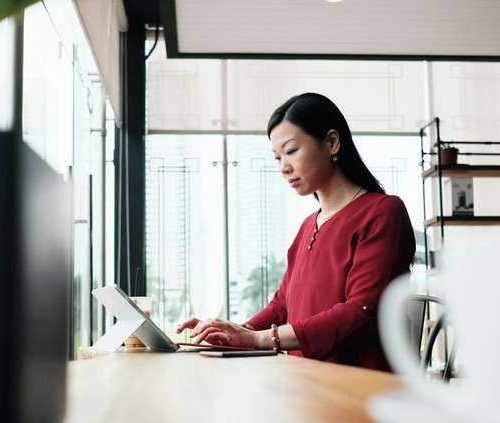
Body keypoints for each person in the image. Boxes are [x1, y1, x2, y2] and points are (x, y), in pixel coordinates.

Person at [176, 92, 415, 370]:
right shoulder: (308, 227)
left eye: (291, 151)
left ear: (332, 142)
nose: (284, 167)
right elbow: (281, 306)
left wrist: (258, 339)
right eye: (277, 158)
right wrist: (230, 332)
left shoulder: (383, 211)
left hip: (360, 390)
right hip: (306, 385)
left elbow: (360, 311)